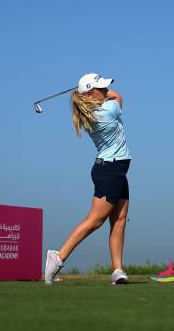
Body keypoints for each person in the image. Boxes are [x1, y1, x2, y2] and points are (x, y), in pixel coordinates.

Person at [44, 73, 132, 285]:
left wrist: (86, 91)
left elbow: (108, 94)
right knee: (95, 220)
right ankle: (58, 257)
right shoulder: (107, 111)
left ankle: (117, 270)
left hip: (115, 170)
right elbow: (118, 96)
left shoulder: (92, 112)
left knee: (119, 221)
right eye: (101, 89)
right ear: (92, 94)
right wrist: (92, 91)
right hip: (110, 170)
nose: (105, 91)